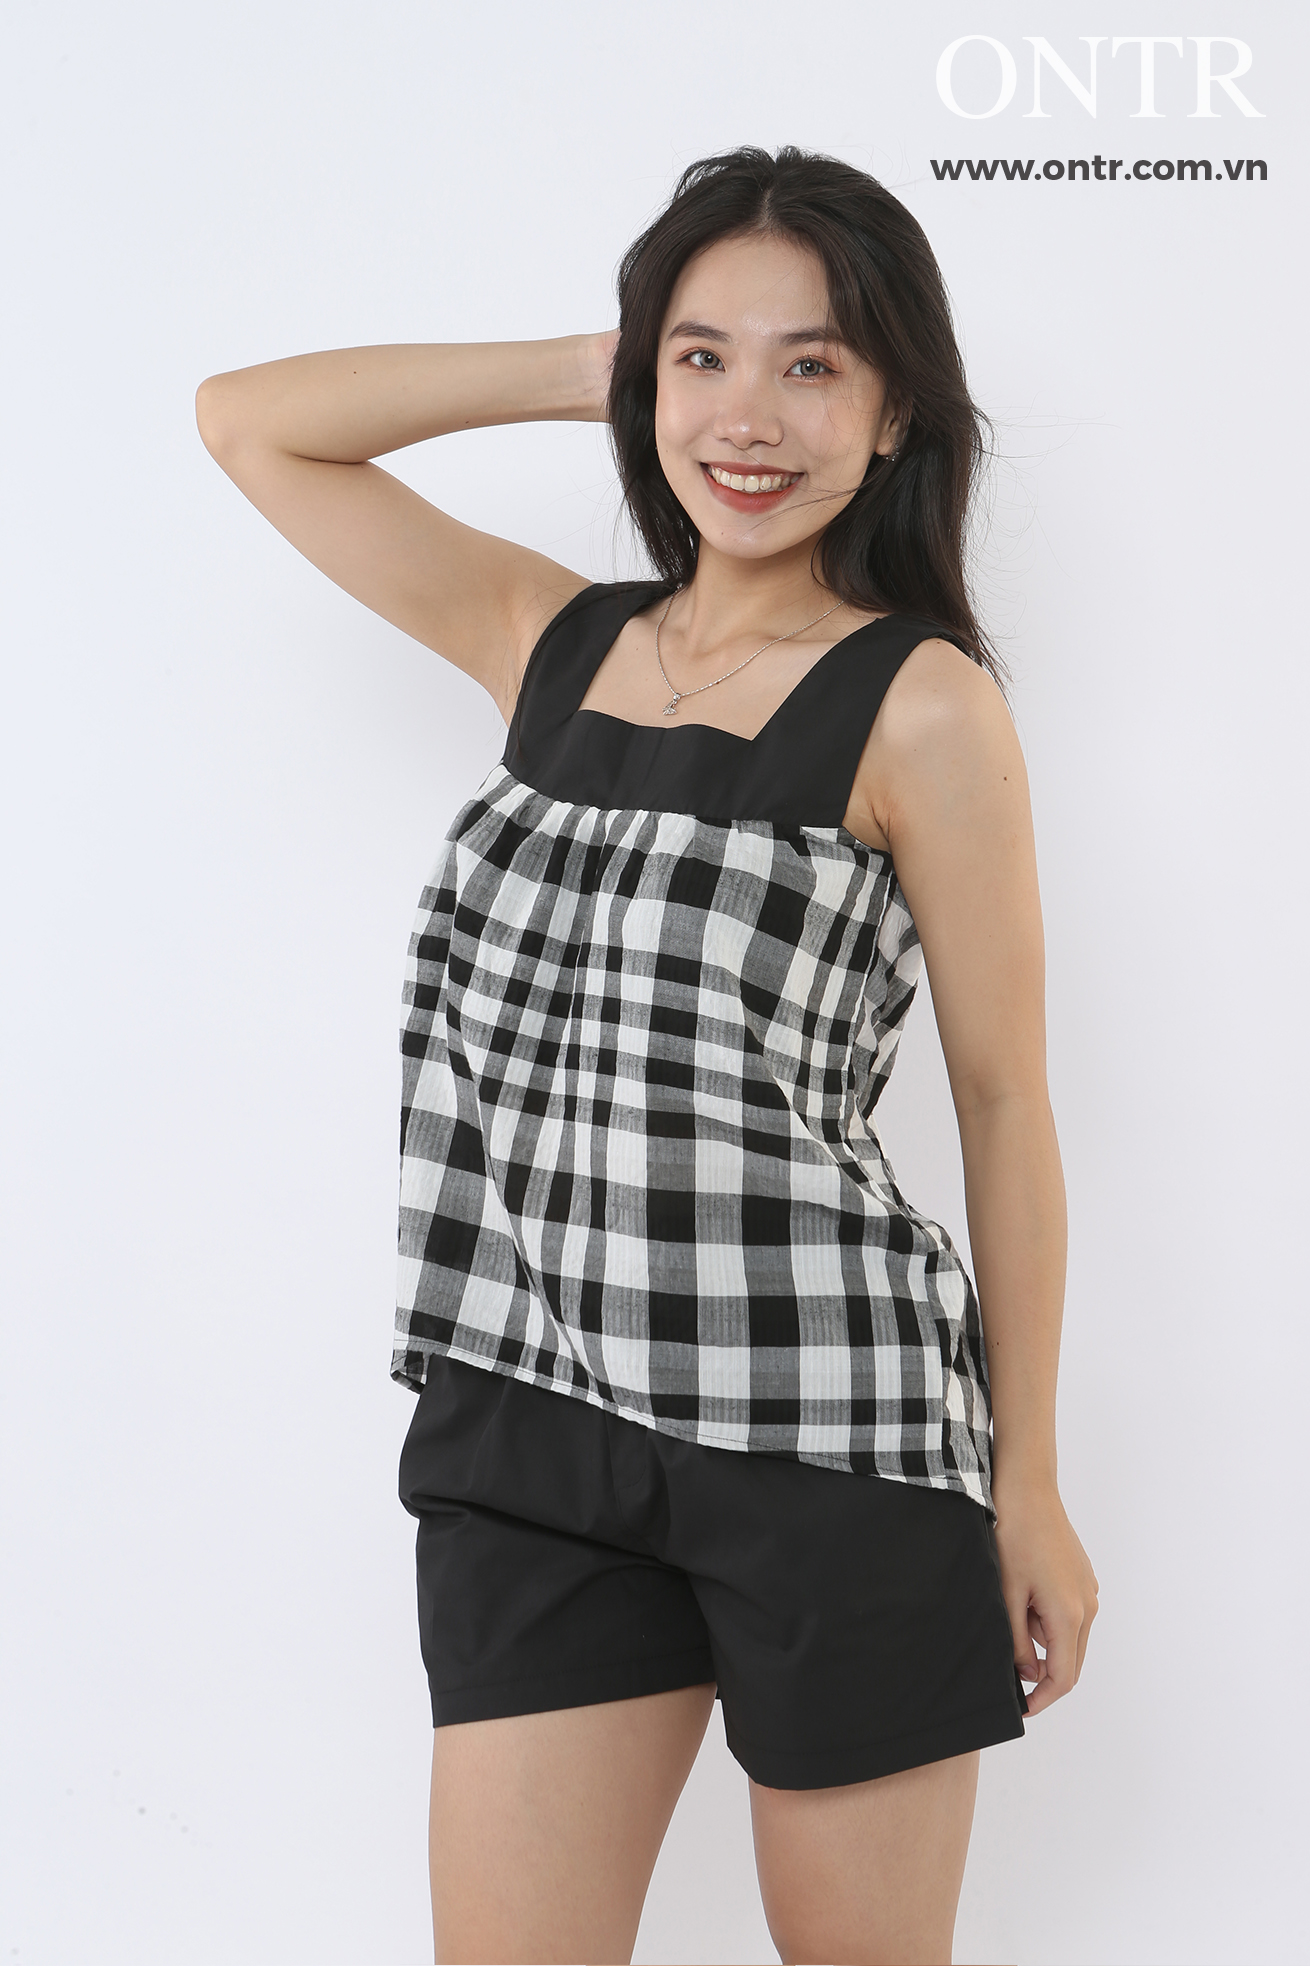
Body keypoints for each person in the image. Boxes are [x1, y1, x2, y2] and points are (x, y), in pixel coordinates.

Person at [197, 144, 1098, 1966]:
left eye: (811, 365)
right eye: (703, 357)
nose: (748, 416)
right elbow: (250, 422)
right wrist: (593, 363)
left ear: (893, 412)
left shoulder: (920, 704)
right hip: (535, 1416)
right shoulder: (548, 638)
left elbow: (1004, 1100)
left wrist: (1029, 1481)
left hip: (828, 1431)